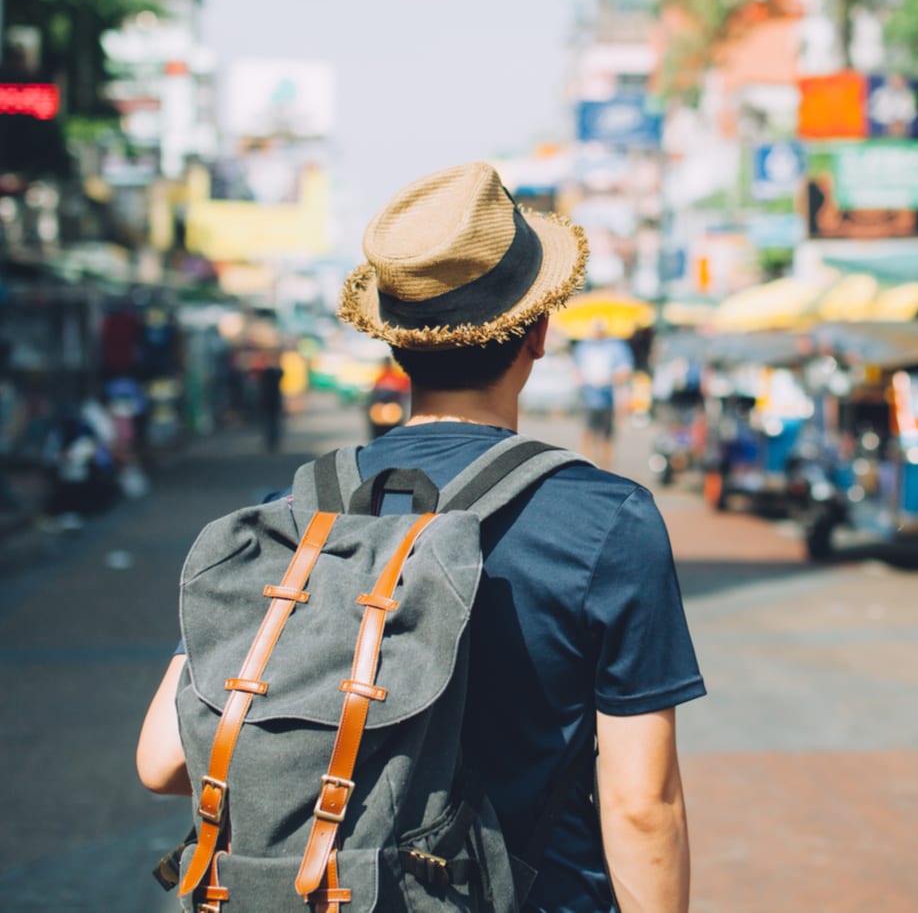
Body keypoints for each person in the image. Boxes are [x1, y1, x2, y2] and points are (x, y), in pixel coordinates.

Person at [136, 163, 703, 913]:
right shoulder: (605, 520)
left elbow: (162, 760)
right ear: (537, 332)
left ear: (394, 346)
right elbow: (641, 804)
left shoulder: (294, 515)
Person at [572, 318, 633, 471]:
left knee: (607, 436)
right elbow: (576, 369)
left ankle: (606, 470)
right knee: (588, 434)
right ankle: (587, 468)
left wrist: (610, 378)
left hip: (608, 397)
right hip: (588, 396)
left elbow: (626, 369)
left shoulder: (616, 346)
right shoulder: (584, 346)